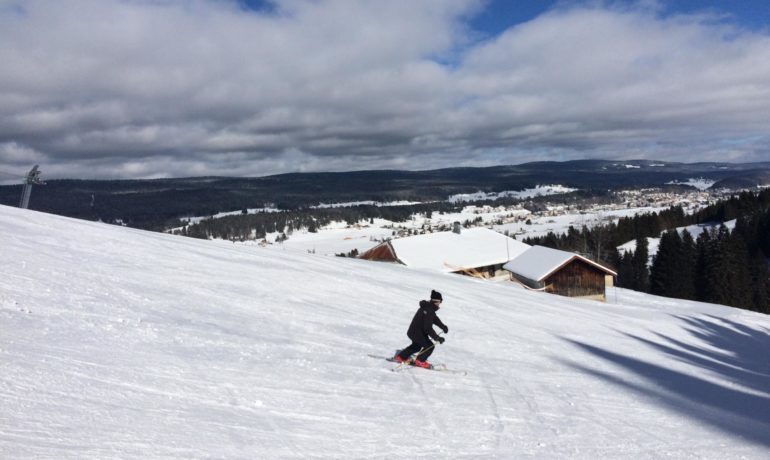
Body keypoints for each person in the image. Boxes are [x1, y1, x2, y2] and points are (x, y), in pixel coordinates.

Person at [394, 290, 449, 368]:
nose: (440, 303)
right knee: (430, 346)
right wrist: (437, 338)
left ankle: (401, 357)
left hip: (413, 332)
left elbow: (434, 319)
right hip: (417, 333)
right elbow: (428, 328)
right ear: (437, 301)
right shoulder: (429, 310)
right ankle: (420, 361)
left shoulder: (428, 307)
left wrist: (443, 326)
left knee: (417, 345)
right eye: (440, 301)